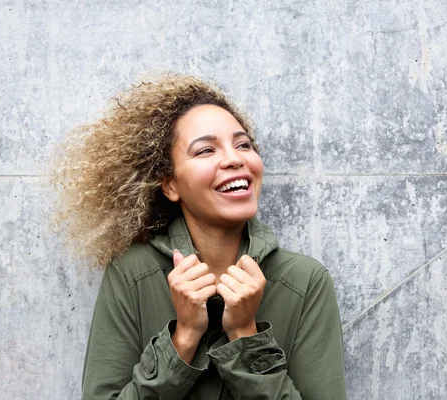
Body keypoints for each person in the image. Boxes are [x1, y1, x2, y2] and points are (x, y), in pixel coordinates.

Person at [53, 74, 346, 399]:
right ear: (170, 184)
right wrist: (185, 336)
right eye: (206, 150)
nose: (235, 159)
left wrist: (246, 336)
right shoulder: (131, 273)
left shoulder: (306, 281)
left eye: (243, 144)